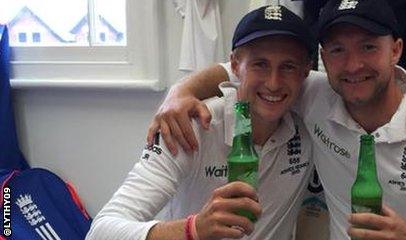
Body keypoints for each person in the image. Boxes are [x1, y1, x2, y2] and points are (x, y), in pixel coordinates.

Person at [146, 0, 406, 239]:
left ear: (395, 49)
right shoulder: (314, 93)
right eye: (338, 50)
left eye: (368, 47)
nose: (353, 65)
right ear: (320, 59)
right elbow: (247, 70)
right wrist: (181, 91)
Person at [86, 6, 316, 240]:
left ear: (306, 71)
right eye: (260, 64)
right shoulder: (189, 126)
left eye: (288, 66)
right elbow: (101, 232)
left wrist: (184, 88)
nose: (274, 83)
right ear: (235, 65)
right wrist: (194, 229)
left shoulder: (310, 119)